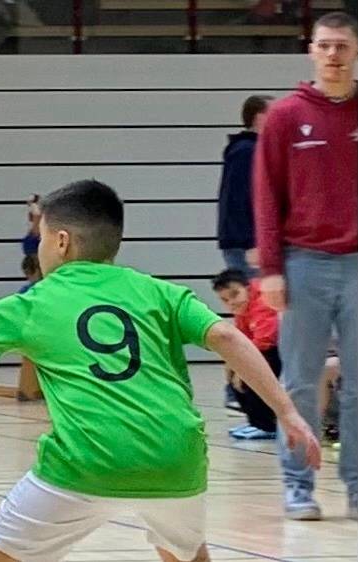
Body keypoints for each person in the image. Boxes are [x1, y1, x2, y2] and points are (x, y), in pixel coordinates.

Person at [0, 180, 321, 562]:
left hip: (86, 463)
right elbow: (230, 337)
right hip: (176, 460)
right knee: (184, 553)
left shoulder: (36, 302)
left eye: (43, 236)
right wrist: (288, 411)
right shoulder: (158, 290)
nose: (41, 246)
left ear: (62, 242)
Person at [253, 10, 358, 521]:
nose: (334, 54)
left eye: (342, 45)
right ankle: (298, 487)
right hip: (304, 265)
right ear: (311, 50)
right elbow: (267, 197)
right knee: (298, 382)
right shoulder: (285, 116)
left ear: (356, 50)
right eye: (325, 45)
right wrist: (271, 268)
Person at [212, 268, 281, 440]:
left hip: (280, 352)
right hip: (266, 350)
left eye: (235, 295)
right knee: (236, 372)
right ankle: (256, 422)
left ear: (248, 287)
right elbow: (241, 337)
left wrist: (242, 368)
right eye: (225, 300)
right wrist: (232, 364)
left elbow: (266, 339)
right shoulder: (244, 308)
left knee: (251, 372)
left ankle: (266, 425)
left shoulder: (264, 300)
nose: (231, 303)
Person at [217, 95, 272, 279]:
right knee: (258, 303)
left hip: (248, 242)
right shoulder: (247, 151)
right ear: (259, 117)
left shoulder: (252, 150)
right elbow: (238, 199)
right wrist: (251, 243)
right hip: (246, 245)